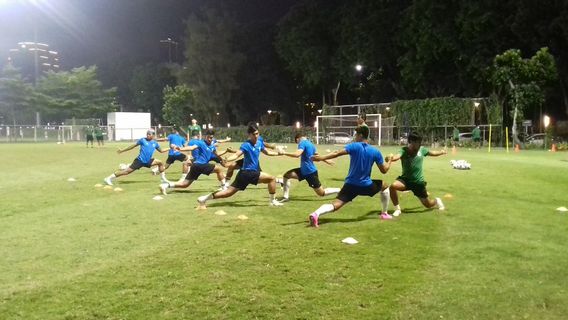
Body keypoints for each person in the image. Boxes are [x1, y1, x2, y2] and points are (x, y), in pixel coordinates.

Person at [307, 126, 393, 228]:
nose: (355, 137)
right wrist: (390, 160)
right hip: (366, 185)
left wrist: (321, 158)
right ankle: (384, 213)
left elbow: (337, 153)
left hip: (350, 184)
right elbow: (384, 170)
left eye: (356, 134)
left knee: (336, 204)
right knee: (385, 186)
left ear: (360, 135)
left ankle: (316, 214)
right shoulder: (375, 151)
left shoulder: (354, 146)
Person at [196, 123, 285, 208]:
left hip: (244, 174)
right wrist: (227, 159)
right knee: (271, 179)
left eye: (257, 133)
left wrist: (278, 153)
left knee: (228, 193)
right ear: (249, 135)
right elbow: (237, 155)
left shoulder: (259, 143)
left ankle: (204, 198)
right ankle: (273, 201)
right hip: (248, 172)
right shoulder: (246, 145)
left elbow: (267, 152)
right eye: (254, 134)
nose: (256, 136)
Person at [388, 132, 446, 217]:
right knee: (392, 187)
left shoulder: (422, 150)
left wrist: (441, 152)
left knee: (428, 205)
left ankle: (437, 201)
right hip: (405, 181)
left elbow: (432, 153)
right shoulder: (404, 150)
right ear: (411, 142)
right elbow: (397, 156)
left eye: (419, 143)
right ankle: (397, 209)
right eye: (417, 143)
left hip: (418, 183)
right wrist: (391, 158)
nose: (418, 145)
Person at [159, 129, 227, 195]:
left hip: (196, 166)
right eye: (208, 137)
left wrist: (222, 159)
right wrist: (180, 149)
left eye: (211, 138)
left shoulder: (212, 146)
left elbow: (216, 154)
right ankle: (224, 188)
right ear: (205, 136)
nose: (209, 139)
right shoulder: (201, 143)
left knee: (185, 184)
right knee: (219, 169)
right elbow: (191, 147)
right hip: (200, 164)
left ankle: (165, 186)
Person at [276, 132, 340, 202]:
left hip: (310, 173)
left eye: (297, 142)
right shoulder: (311, 144)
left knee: (321, 193)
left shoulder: (302, 143)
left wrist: (284, 153)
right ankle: (285, 197)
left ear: (298, 139)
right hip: (303, 171)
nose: (298, 144)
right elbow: (317, 156)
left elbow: (297, 154)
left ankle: (339, 190)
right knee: (287, 175)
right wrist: (327, 160)